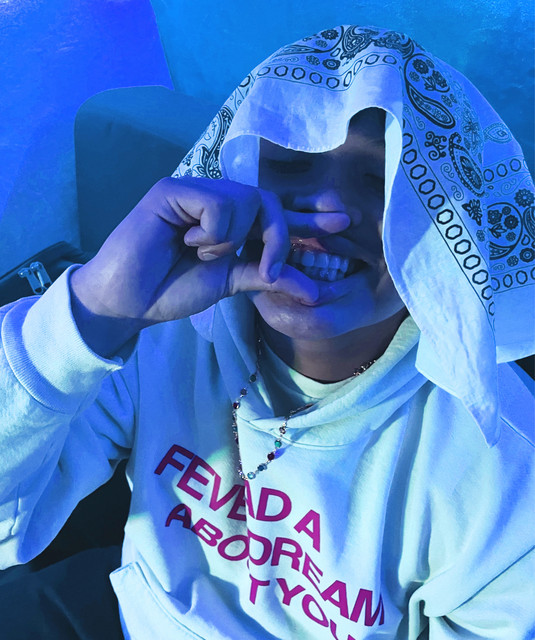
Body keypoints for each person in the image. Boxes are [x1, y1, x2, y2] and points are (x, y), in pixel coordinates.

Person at [1, 24, 534, 640]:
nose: (326, 210)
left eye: (381, 181)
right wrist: (95, 312)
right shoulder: (165, 331)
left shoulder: (499, 465)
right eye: (288, 163)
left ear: (447, 225)